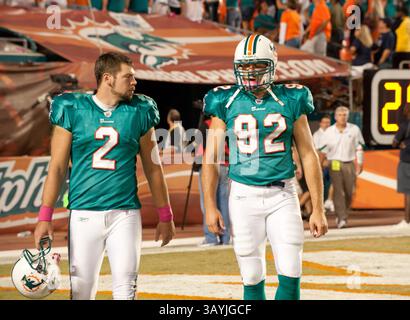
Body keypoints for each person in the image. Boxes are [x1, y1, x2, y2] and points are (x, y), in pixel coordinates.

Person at [33, 52, 176, 300]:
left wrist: (166, 215)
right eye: (128, 77)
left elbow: (153, 168)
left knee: (126, 292)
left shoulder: (139, 110)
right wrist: (44, 216)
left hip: (125, 214)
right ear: (107, 78)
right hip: (84, 214)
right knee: (81, 294)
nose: (135, 82)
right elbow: (56, 167)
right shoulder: (73, 108)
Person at [202, 34, 328, 300]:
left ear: (271, 64)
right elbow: (211, 158)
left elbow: (308, 153)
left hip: (283, 194)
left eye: (256, 65)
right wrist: (211, 206)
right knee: (251, 277)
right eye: (244, 66)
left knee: (291, 272)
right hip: (243, 195)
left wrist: (318, 207)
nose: (249, 72)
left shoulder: (290, 98)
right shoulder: (225, 101)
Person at [319, 106, 365, 229]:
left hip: (349, 162)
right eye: (340, 115)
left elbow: (359, 147)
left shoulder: (354, 129)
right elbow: (323, 150)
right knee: (338, 191)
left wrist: (360, 163)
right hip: (334, 162)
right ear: (335, 117)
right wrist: (319, 164)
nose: (342, 117)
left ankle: (343, 213)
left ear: (348, 116)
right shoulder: (329, 131)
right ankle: (341, 218)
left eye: (344, 115)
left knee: (350, 192)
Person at [196, 115, 230, 246]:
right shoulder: (225, 122)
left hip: (210, 166)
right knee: (224, 204)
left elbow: (202, 146)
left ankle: (211, 238)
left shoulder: (205, 124)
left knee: (208, 202)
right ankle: (225, 237)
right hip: (225, 164)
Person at [392, 106, 410, 226]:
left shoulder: (405, 125)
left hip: (406, 162)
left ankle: (407, 220)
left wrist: (402, 143)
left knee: (408, 193)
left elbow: (394, 142)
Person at [313, 115, 334, 213]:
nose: (326, 124)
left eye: (328, 122)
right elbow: (317, 151)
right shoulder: (317, 135)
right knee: (318, 186)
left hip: (331, 162)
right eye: (324, 122)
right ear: (320, 123)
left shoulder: (332, 133)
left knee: (334, 183)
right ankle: (318, 206)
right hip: (320, 164)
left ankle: (329, 201)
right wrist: (320, 164)